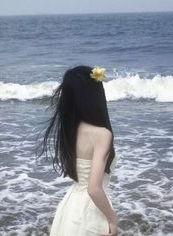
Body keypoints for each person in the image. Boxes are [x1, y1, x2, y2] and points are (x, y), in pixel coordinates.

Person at [36, 65, 118, 236]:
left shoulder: (70, 129)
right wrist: (112, 219)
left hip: (69, 208)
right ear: (94, 95)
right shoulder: (102, 134)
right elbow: (94, 189)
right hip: (91, 212)